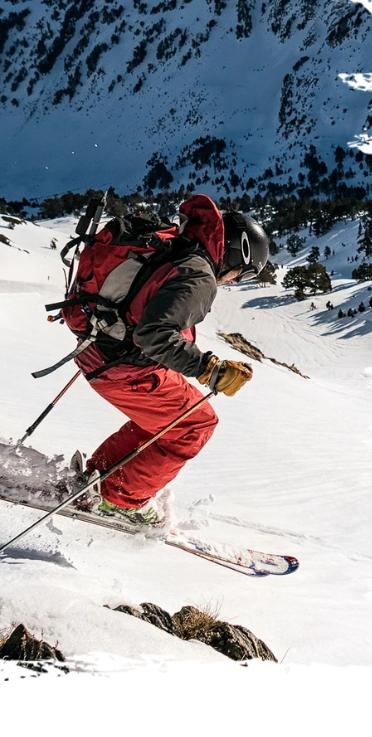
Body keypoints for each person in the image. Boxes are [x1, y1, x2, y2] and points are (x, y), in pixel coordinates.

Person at [70, 193, 269, 525]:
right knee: (195, 424)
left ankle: (100, 480)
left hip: (96, 351)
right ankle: (119, 499)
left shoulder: (177, 246)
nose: (234, 281)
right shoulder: (198, 274)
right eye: (243, 274)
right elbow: (152, 335)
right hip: (124, 368)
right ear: (238, 253)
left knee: (168, 420)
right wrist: (209, 369)